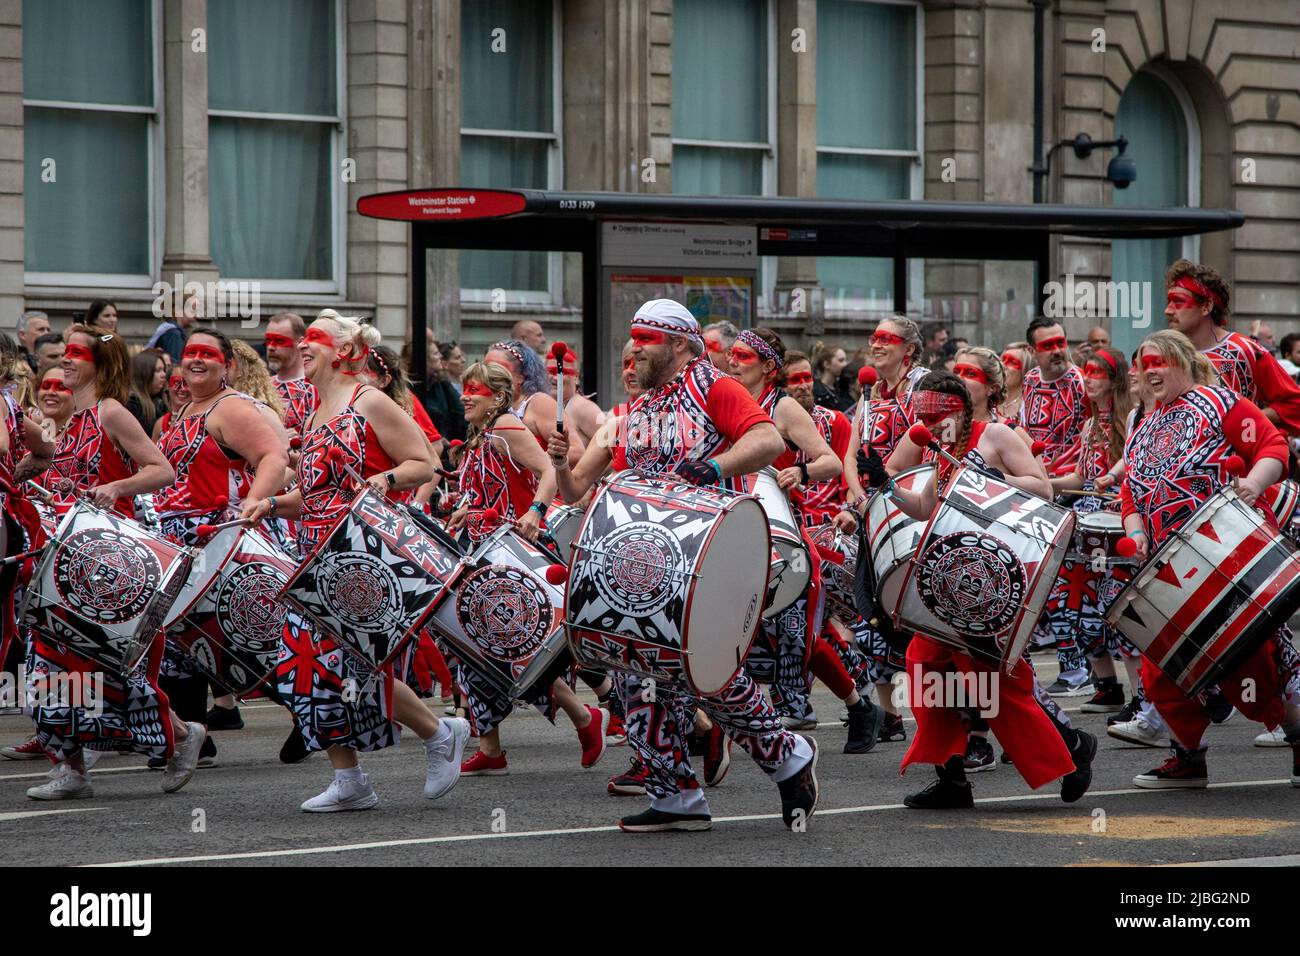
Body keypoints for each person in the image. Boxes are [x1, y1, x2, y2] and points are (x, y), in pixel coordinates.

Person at [546, 299, 820, 833]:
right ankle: (676, 797)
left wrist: (711, 467)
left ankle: (789, 757)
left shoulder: (715, 387)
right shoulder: (632, 412)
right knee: (637, 676)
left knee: (710, 677)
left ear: (679, 343)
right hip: (646, 564)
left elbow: (766, 441)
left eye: (645, 338)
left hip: (714, 559)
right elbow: (576, 488)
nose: (634, 347)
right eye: (632, 336)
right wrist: (560, 462)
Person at [243, 309, 470, 811]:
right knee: (304, 669)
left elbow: (423, 463)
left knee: (351, 666)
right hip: (314, 556)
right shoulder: (317, 409)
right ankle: (351, 779)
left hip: (362, 556)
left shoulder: (369, 401)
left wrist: (383, 481)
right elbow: (317, 495)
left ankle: (437, 734)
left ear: (344, 350)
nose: (304, 345)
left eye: (316, 339)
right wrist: (274, 504)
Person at [875, 370, 1096, 808]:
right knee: (925, 671)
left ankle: (1071, 746)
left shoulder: (994, 435)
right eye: (921, 416)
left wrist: (983, 482)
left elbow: (1043, 486)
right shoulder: (924, 440)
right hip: (940, 574)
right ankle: (951, 778)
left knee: (995, 681)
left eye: (939, 416)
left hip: (991, 573)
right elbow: (897, 473)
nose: (929, 424)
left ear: (962, 410)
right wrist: (896, 487)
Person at [19, 326, 205, 801]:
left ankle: (182, 735)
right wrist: (33, 467)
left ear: (100, 364)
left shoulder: (111, 412)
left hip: (111, 558)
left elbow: (161, 469)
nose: (66, 360)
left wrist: (117, 488)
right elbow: (58, 467)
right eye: (65, 351)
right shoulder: (53, 416)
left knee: (112, 666)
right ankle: (71, 768)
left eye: (77, 353)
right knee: (48, 662)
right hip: (59, 555)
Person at [1120, 330, 1300, 789]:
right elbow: (1130, 493)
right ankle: (1188, 757)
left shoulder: (1220, 402)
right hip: (1169, 568)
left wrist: (1254, 484)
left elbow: (1273, 445)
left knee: (1254, 666)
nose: (1151, 370)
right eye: (1144, 364)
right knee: (1161, 669)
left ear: (1182, 359)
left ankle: (1298, 738)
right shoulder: (1141, 422)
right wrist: (1136, 533)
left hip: (1228, 557)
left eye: (1159, 360)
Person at [441, 360, 608, 775]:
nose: (464, 396)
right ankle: (492, 748)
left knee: (515, 648)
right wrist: (466, 510)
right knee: (477, 648)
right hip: (485, 552)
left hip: (517, 552)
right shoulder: (480, 436)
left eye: (474, 390)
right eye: (465, 389)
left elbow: (550, 471)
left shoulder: (506, 428)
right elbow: (487, 490)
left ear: (497, 397)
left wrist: (535, 511)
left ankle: (589, 717)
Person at [729, 331, 883, 752]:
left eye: (742, 356)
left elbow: (830, 460)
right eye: (731, 354)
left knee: (796, 634)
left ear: (767, 367)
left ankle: (858, 705)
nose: (732, 361)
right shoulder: (723, 399)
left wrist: (801, 472)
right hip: (731, 527)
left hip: (779, 534)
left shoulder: (782, 407)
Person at [151, 329, 291, 770]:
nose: (195, 360)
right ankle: (196, 738)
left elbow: (274, 456)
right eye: (189, 353)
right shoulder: (186, 409)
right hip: (184, 540)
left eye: (207, 354)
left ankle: (313, 716)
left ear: (226, 365)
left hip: (223, 540)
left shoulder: (229, 407)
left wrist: (255, 502)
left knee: (247, 640)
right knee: (182, 640)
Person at [839, 316, 927, 735]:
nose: (876, 344)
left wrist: (885, 487)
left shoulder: (921, 387)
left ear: (908, 348)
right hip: (874, 509)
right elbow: (851, 452)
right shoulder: (870, 392)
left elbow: (927, 448)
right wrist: (858, 497)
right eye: (873, 337)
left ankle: (956, 719)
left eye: (886, 339)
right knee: (871, 616)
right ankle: (891, 714)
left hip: (911, 507)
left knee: (912, 615)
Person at [1046, 346, 1142, 715]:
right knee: (1073, 602)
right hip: (1087, 525)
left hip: (1120, 523)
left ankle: (1141, 699)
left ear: (1113, 378)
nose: (1087, 378)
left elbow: (1129, 471)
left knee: (1116, 605)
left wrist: (1116, 492)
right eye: (1085, 371)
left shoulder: (1131, 420)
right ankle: (1106, 685)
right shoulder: (1088, 425)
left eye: (1096, 373)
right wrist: (1044, 483)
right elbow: (1082, 479)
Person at [1164, 258, 1300, 435]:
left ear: (1206, 306)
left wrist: (1245, 418)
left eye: (1178, 302)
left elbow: (1294, 403)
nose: (1168, 310)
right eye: (1169, 302)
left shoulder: (1245, 351)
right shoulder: (1167, 355)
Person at [263, 312, 317, 435]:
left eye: (279, 341)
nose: (271, 347)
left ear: (300, 343)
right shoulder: (263, 385)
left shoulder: (314, 387)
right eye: (268, 340)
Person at [547, 346, 603, 449]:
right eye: (551, 371)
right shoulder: (546, 406)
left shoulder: (583, 408)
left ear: (576, 377)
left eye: (562, 372)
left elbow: (613, 450)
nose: (555, 377)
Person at [126, 350, 168, 435]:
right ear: (143, 374)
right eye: (158, 370)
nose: (164, 375)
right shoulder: (131, 406)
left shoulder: (161, 403)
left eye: (164, 370)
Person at [998, 342, 1032, 422]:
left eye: (1012, 362)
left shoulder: (1030, 405)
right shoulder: (989, 401)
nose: (1003, 366)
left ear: (1025, 369)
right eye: (1002, 360)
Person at [812, 344, 850, 411]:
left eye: (845, 360)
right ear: (827, 364)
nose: (845, 364)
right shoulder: (816, 391)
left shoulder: (842, 387)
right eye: (841, 360)